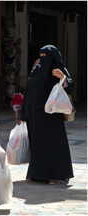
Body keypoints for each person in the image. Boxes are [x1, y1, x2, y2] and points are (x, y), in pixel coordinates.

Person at [21, 45, 74, 185]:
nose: (43, 59)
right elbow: (29, 90)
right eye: (41, 55)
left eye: (47, 56)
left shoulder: (59, 68)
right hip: (35, 116)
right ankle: (38, 174)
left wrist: (63, 78)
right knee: (38, 146)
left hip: (51, 116)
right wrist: (23, 113)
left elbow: (69, 85)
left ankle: (57, 174)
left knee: (54, 145)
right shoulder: (37, 68)